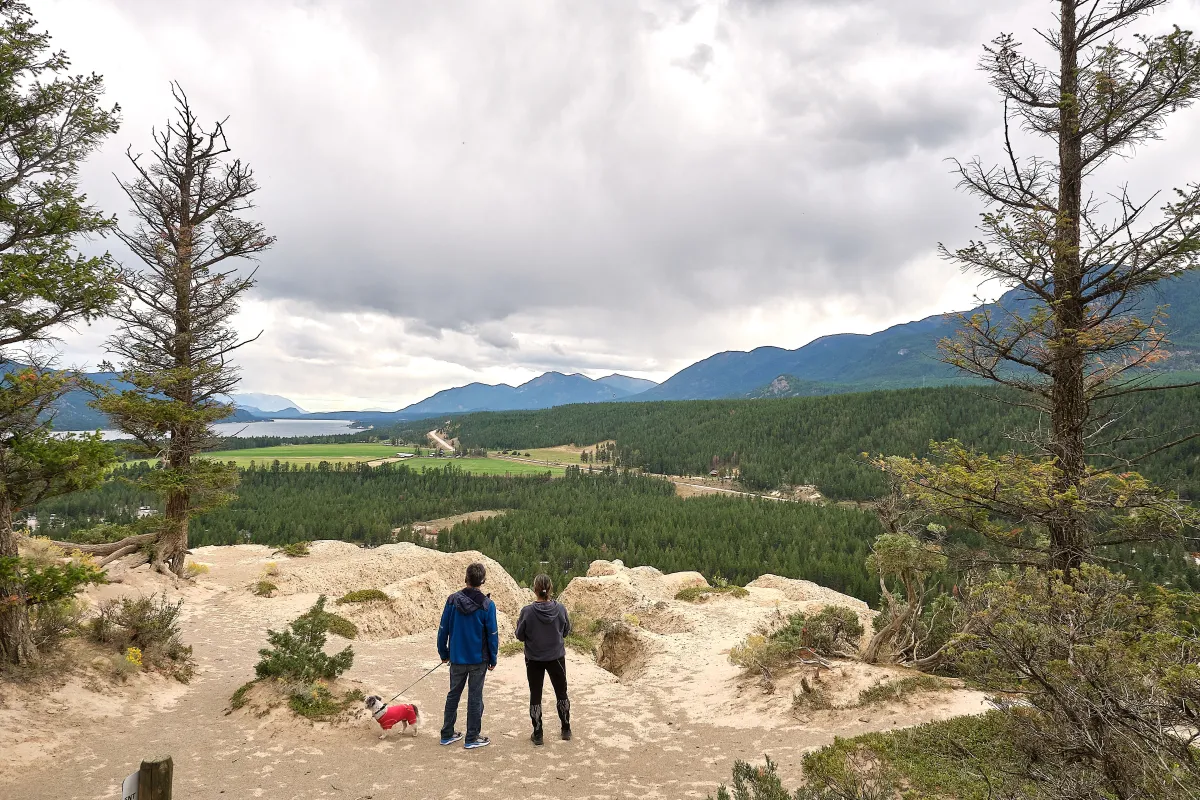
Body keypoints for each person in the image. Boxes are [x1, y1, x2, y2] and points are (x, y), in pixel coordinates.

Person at [437, 562, 499, 749]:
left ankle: (447, 733)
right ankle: (472, 737)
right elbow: (492, 634)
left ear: (466, 578)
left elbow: (443, 630)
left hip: (456, 657)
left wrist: (443, 652)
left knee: (453, 695)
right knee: (475, 697)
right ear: (483, 581)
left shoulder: (452, 601)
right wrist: (493, 657)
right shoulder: (487, 605)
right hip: (478, 660)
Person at [515, 574, 571, 745]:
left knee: (536, 695)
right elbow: (566, 630)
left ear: (535, 589)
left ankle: (538, 733)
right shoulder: (560, 609)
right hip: (556, 657)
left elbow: (519, 635)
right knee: (561, 693)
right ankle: (565, 728)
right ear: (550, 589)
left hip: (534, 659)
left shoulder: (527, 611)